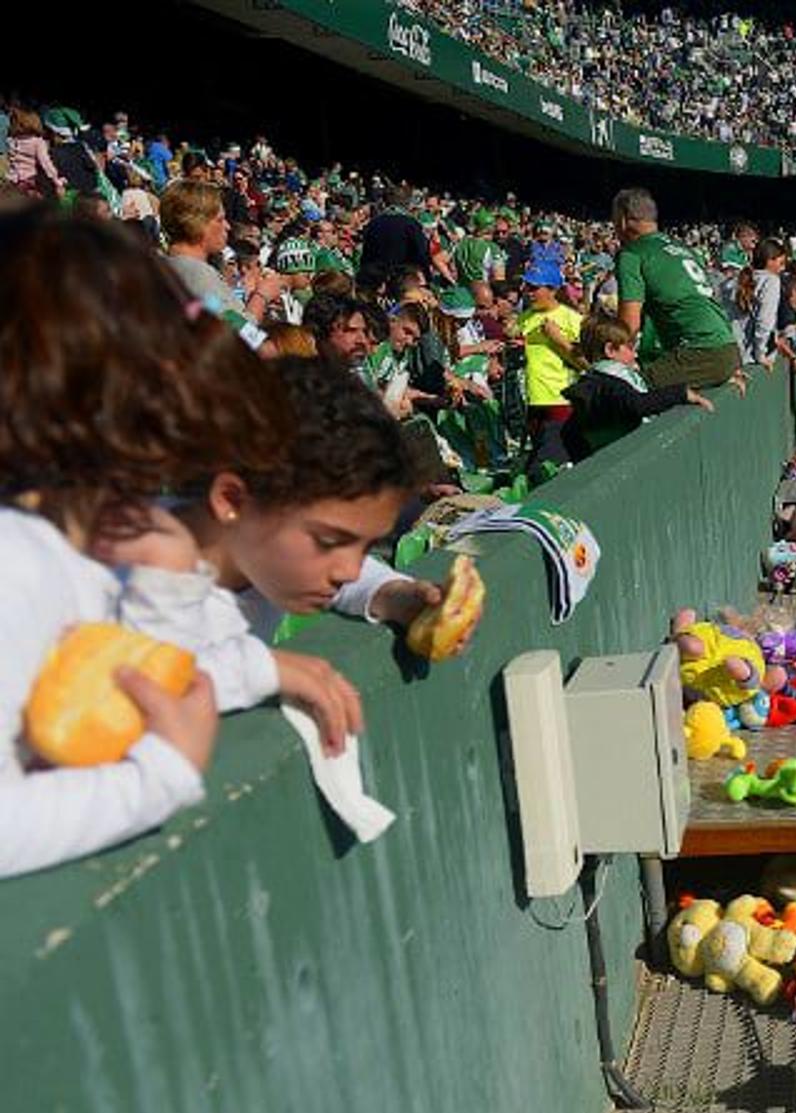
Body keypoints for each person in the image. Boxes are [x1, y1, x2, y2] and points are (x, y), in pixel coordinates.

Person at [0, 209, 292, 877]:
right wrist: (158, 777)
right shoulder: (13, 559)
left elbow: (137, 699)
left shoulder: (101, 537)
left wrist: (163, 583)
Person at [102, 359, 459, 758]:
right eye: (329, 541)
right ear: (232, 500)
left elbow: (342, 568)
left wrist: (392, 593)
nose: (349, 570)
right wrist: (261, 669)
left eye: (363, 546)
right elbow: (125, 678)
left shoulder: (260, 553)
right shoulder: (129, 560)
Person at [611, 186, 743, 389]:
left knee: (622, 388)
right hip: (728, 349)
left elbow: (629, 325)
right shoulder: (683, 248)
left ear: (622, 219)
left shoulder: (632, 254)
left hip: (700, 352)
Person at [555, 314, 716, 463]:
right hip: (623, 462)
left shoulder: (593, 382)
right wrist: (682, 394)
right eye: (630, 348)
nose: (635, 354)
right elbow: (637, 405)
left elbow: (568, 432)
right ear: (610, 350)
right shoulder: (610, 385)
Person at [160, 179, 283, 331]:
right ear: (197, 224)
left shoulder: (171, 267)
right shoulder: (198, 274)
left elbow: (221, 314)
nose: (228, 226)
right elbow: (242, 334)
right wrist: (262, 296)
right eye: (220, 220)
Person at [518, 257, 585, 465]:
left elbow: (587, 364)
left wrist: (559, 341)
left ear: (553, 289)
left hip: (560, 401)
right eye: (527, 286)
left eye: (534, 287)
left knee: (548, 467)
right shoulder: (525, 317)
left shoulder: (572, 319)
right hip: (531, 403)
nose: (528, 291)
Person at [732, 237, 789, 368]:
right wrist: (760, 354)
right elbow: (765, 321)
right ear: (770, 261)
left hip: (731, 354)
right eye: (781, 263)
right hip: (749, 357)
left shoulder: (735, 279)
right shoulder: (771, 281)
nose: (783, 268)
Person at [6, 107, 65, 199]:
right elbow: (45, 163)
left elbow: (11, 158)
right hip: (31, 180)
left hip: (13, 179)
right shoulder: (37, 142)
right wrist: (56, 180)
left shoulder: (11, 141)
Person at [452, 208, 504, 308]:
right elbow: (499, 278)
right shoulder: (492, 248)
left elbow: (450, 267)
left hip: (463, 296)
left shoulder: (460, 244)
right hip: (482, 297)